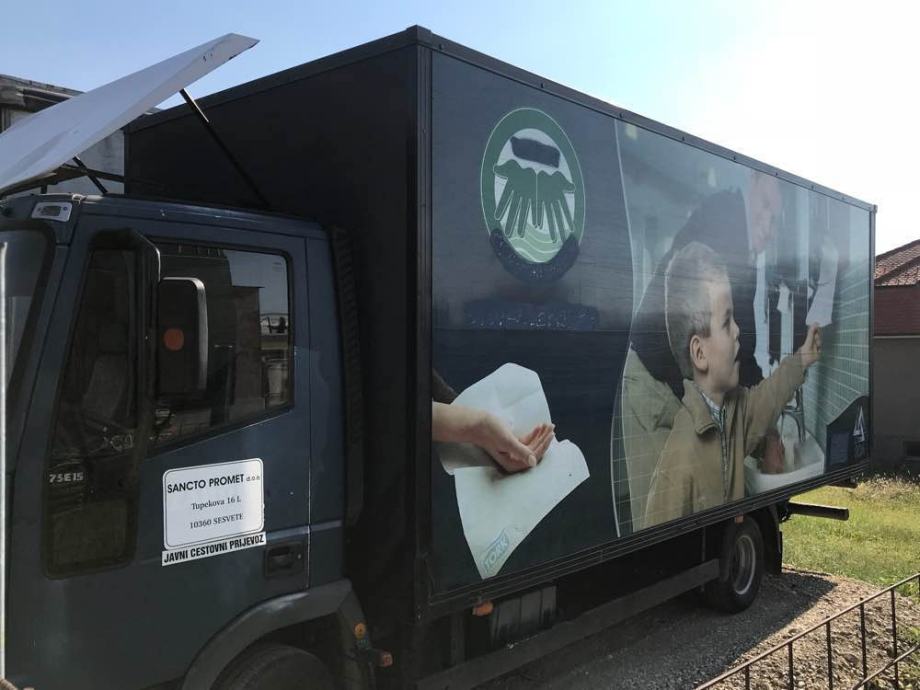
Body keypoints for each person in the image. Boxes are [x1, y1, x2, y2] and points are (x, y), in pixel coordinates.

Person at [617, 172, 784, 529]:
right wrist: (767, 431)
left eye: (776, 219)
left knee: (684, 521)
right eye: (766, 207)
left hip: (676, 386)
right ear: (753, 183)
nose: (769, 226)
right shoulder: (725, 224)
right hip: (653, 385)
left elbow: (740, 347)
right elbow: (735, 354)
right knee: (657, 524)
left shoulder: (738, 242)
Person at [643, 243, 821, 527]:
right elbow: (660, 543)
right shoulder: (678, 462)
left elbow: (769, 396)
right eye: (727, 322)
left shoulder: (734, 413)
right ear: (700, 353)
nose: (738, 330)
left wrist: (802, 358)